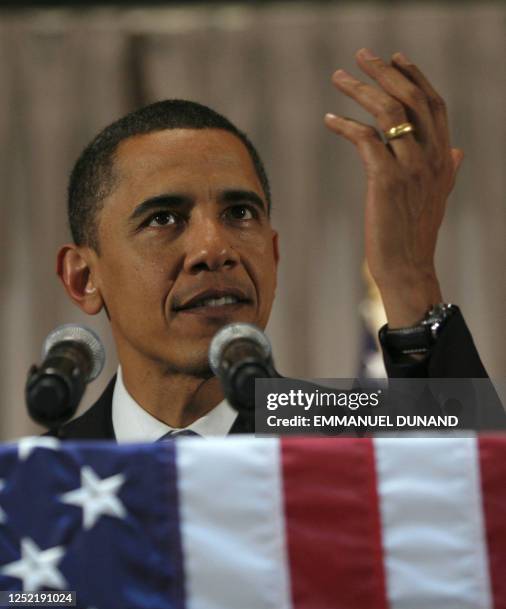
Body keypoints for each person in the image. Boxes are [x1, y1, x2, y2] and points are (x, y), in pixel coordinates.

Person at [49, 49, 489, 441]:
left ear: (274, 256)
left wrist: (408, 277)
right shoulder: (36, 485)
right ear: (84, 278)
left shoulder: (352, 445)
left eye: (240, 214)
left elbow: (481, 510)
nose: (214, 248)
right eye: (164, 219)